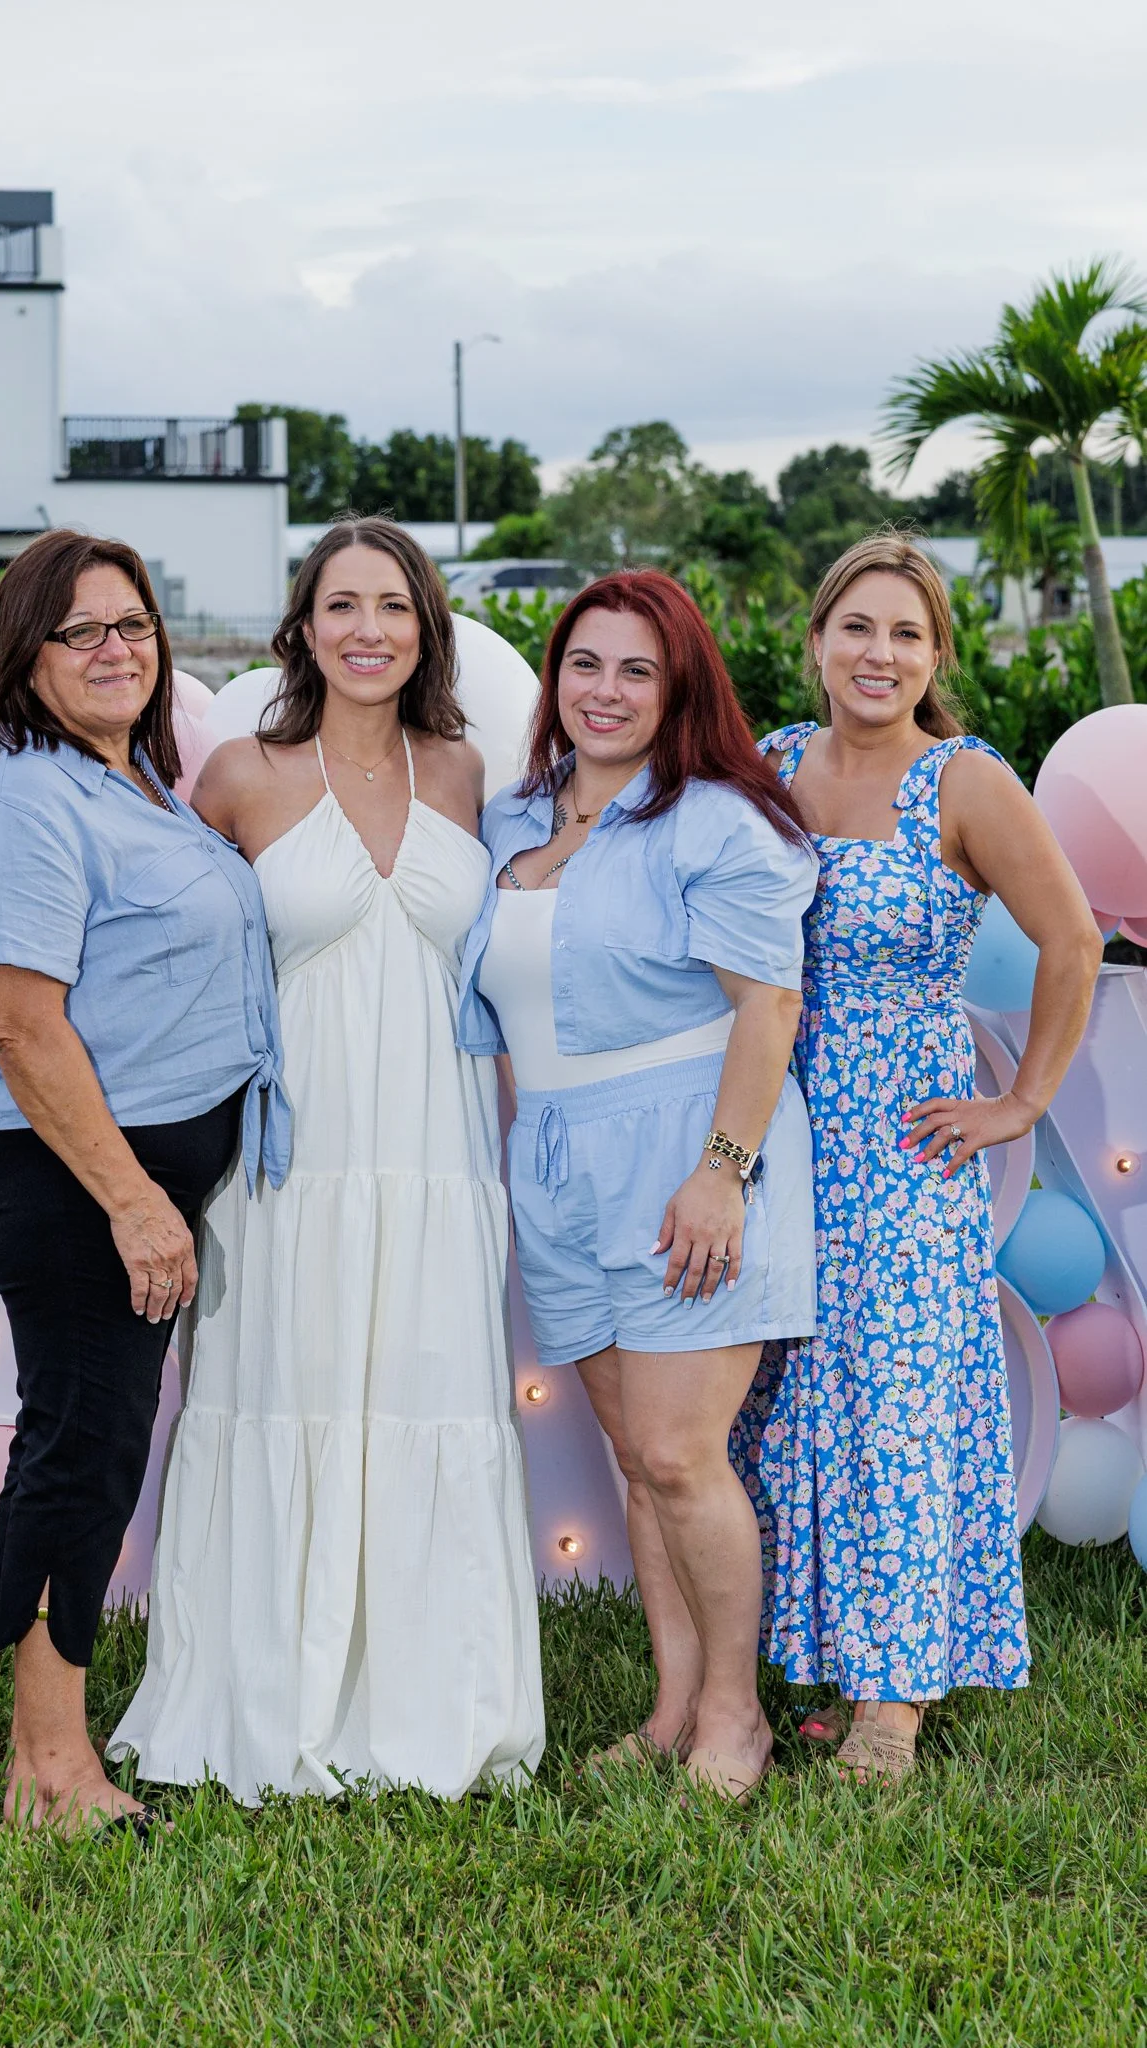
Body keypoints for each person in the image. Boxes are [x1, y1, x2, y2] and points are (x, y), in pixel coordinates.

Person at [110, 516, 544, 1804]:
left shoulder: (467, 772)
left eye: (394, 605)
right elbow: (169, 955)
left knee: (430, 1394)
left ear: (428, 628)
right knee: (278, 1396)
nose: (369, 629)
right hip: (287, 1164)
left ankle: (431, 1705)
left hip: (440, 1151)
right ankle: (270, 1697)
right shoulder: (242, 772)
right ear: (301, 626)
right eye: (342, 604)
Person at [0, 530, 288, 1837]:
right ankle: (52, 1771)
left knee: (77, 1436)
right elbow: (22, 1025)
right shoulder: (24, 802)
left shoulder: (127, 785)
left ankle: (39, 1732)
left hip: (112, 1168)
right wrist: (135, 1200)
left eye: (134, 625)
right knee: (88, 1443)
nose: (118, 649)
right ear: (24, 658)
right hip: (64, 1169)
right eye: (83, 632)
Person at [742, 531, 1101, 1783]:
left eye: (905, 633)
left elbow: (1072, 939)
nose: (877, 653)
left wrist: (1023, 1101)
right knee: (799, 1394)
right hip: (784, 1127)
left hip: (904, 1134)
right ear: (817, 640)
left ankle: (898, 1694)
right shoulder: (776, 761)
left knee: (896, 1397)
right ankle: (835, 1653)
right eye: (857, 628)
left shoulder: (964, 779)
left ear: (935, 653)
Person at [456, 569, 819, 1803]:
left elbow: (769, 1007)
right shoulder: (513, 820)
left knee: (679, 1450)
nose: (604, 692)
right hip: (554, 1159)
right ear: (553, 678)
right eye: (584, 664)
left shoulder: (719, 821)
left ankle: (736, 1713)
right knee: (628, 1453)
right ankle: (671, 1704)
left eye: (636, 670)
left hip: (685, 1151)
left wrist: (723, 1175)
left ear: (679, 690)